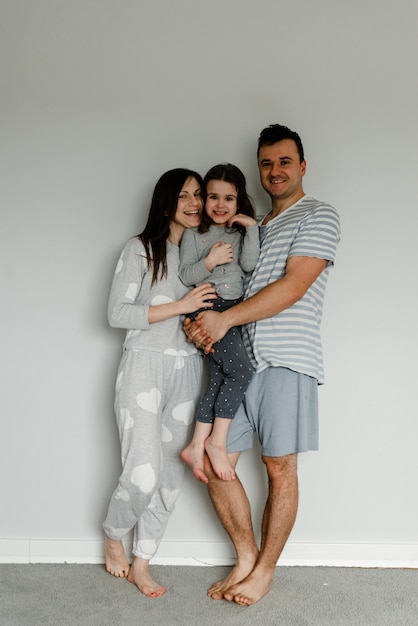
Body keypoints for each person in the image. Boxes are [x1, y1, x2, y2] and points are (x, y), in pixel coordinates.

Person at [184, 124, 341, 606]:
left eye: (285, 162)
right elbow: (226, 284)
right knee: (215, 459)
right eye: (267, 163)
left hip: (286, 358)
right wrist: (202, 326)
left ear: (302, 166)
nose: (275, 171)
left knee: (279, 467)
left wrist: (223, 318)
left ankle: (266, 571)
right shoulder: (249, 224)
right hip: (237, 360)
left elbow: (293, 287)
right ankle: (247, 558)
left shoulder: (320, 215)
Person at [103, 168, 216, 598]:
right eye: (185, 195)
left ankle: (143, 561)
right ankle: (114, 533)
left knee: (169, 477)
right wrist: (181, 305)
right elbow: (117, 314)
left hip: (187, 370)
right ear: (167, 202)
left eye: (199, 194)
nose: (194, 202)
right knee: (143, 472)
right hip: (144, 367)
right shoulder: (140, 251)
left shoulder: (198, 253)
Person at [179, 164, 259, 482]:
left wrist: (252, 227)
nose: (220, 205)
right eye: (213, 197)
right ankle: (217, 442)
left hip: (232, 311)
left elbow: (250, 264)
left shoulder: (239, 233)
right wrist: (209, 262)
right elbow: (186, 274)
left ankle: (196, 444)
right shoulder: (194, 234)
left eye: (229, 198)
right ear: (205, 199)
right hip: (209, 309)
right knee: (242, 372)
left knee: (220, 378)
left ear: (239, 201)